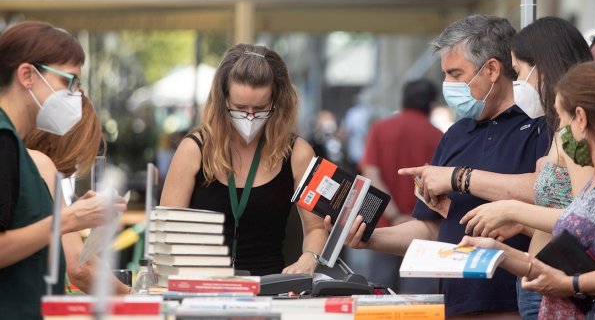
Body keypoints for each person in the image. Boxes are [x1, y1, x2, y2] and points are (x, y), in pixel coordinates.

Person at [340, 15, 550, 318]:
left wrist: (458, 178)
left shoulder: (539, 127)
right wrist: (369, 237)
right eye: (445, 75)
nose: (448, 86)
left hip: (517, 305)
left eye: (456, 74)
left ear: (491, 69)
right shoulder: (455, 135)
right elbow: (432, 229)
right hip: (454, 304)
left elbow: (546, 194)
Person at [458, 61, 595, 319]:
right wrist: (498, 252)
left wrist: (572, 285)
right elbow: (576, 260)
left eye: (563, 120)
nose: (561, 134)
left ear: (581, 117)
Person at [440, 17, 594, 320]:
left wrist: (512, 211)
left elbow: (585, 219)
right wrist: (523, 225)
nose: (518, 82)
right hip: (536, 281)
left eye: (520, 72)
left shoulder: (573, 131)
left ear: (543, 68)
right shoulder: (562, 129)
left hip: (557, 282)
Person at [161, 44, 326, 276]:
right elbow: (168, 229)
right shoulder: (194, 149)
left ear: (277, 102)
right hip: (201, 288)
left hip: (271, 288)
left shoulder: (298, 153)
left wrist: (310, 258)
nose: (249, 117)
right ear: (222, 100)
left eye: (260, 108)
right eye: (239, 108)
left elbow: (316, 227)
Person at [0, 21, 126, 319]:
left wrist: (73, 215)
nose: (75, 95)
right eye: (68, 82)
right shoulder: (4, 142)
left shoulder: (14, 147)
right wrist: (67, 219)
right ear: (27, 75)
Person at [24, 96, 131, 295]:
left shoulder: (22, 160)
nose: (75, 167)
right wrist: (131, 296)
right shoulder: (40, 164)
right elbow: (80, 266)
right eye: (80, 154)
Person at [359, 78, 443, 294]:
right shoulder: (439, 136)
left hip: (383, 227)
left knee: (379, 296)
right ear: (432, 104)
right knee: (418, 301)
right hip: (424, 231)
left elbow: (371, 175)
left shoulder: (380, 129)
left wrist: (394, 215)